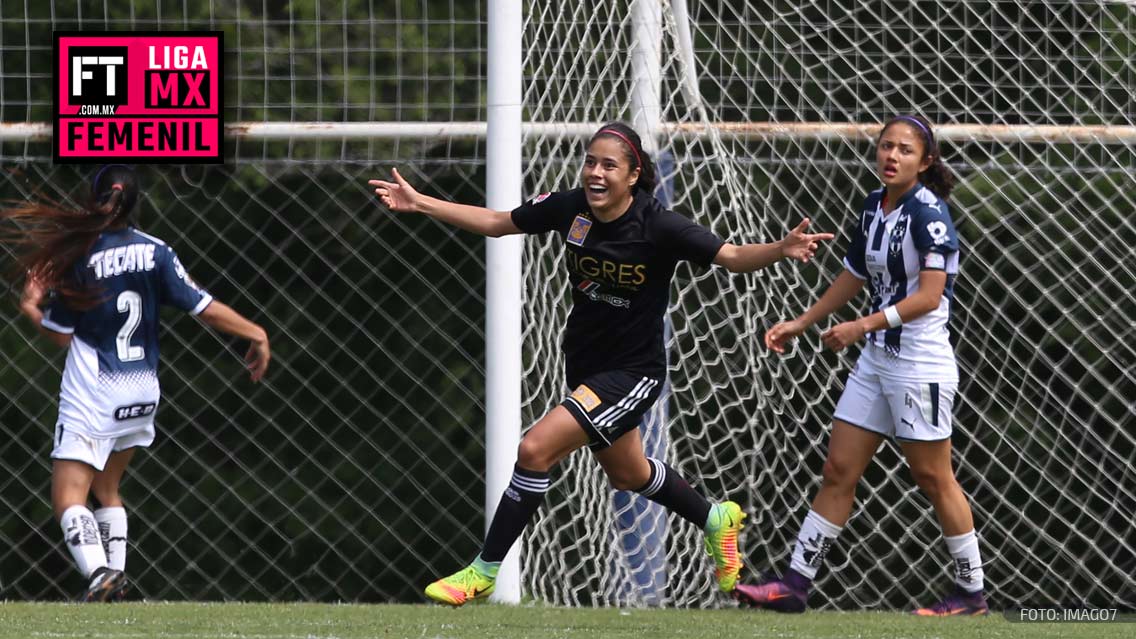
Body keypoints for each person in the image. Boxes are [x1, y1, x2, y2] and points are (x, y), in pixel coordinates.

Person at [370, 121, 834, 606]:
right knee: (629, 475)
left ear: (633, 175)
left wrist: (780, 249)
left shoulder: (658, 225)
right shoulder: (570, 208)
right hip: (586, 363)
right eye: (591, 161)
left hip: (633, 373)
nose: (595, 171)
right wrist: (420, 202)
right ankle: (715, 517)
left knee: (534, 449)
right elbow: (496, 222)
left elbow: (733, 255)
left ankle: (483, 571)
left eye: (608, 164)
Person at [734, 115, 988, 616]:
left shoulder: (929, 212)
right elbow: (853, 273)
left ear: (926, 161)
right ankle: (794, 585)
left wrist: (861, 326)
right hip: (876, 360)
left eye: (905, 150)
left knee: (934, 478)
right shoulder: (874, 206)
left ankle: (971, 593)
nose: (892, 156)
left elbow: (931, 297)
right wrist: (802, 322)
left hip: (919, 364)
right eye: (886, 147)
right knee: (838, 468)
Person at [4, 165, 271, 602]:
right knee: (107, 489)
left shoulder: (80, 258)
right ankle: (119, 583)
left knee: (69, 498)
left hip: (95, 390)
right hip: (142, 390)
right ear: (134, 202)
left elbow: (59, 334)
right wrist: (255, 332)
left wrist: (31, 306)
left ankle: (98, 576)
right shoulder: (157, 251)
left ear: (94, 200)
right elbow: (203, 306)